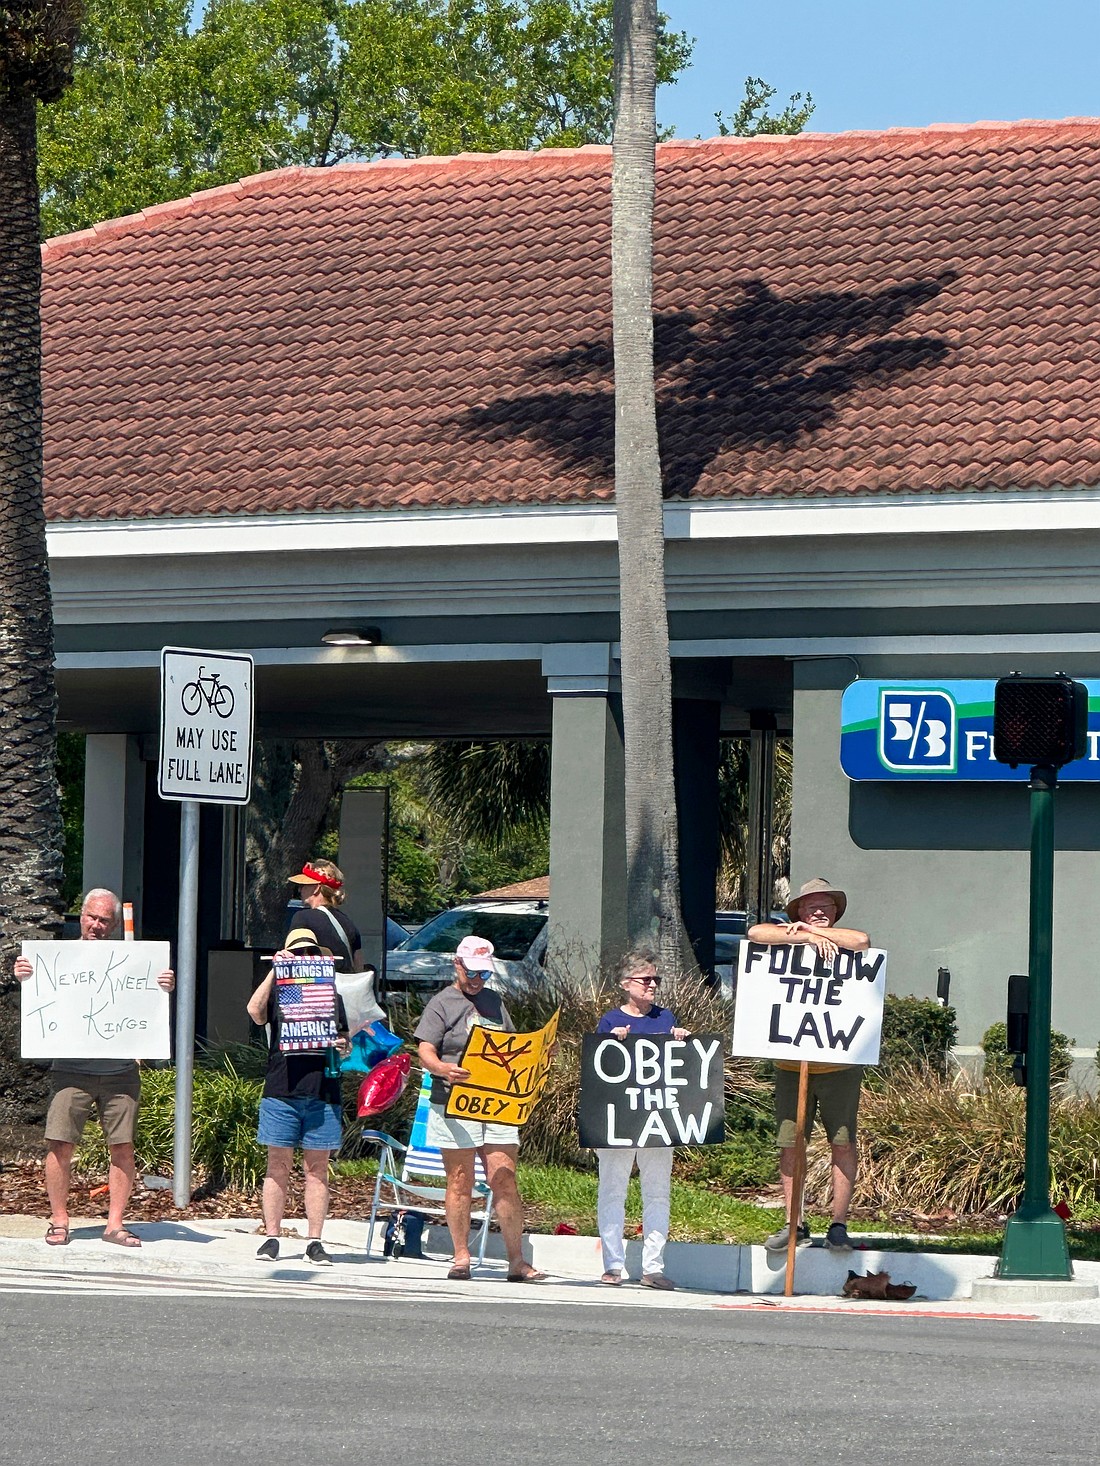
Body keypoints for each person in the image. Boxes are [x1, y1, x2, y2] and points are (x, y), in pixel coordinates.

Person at [12, 889, 175, 1248]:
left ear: (115, 925)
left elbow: (149, 1001)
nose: (97, 925)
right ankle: (59, 1220)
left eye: (104, 920)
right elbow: (38, 988)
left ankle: (115, 1224)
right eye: (91, 917)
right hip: (70, 1070)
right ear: (81, 916)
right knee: (60, 1144)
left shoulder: (135, 961)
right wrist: (24, 973)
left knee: (123, 1147)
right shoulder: (57, 959)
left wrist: (163, 985)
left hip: (121, 1073)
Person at [747, 877, 871, 1254]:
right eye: (810, 906)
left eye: (825, 906)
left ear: (835, 912)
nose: (818, 912)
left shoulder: (845, 940)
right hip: (791, 1066)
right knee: (791, 1145)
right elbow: (754, 933)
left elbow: (862, 941)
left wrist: (821, 936)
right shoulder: (787, 935)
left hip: (838, 1068)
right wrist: (803, 936)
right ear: (798, 911)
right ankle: (794, 1224)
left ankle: (838, 1225)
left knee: (842, 1143)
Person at [414, 934, 547, 1283]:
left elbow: (511, 1044)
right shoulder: (441, 1003)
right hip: (454, 1100)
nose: (477, 980)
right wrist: (442, 1068)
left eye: (484, 974)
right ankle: (461, 1256)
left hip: (496, 1102)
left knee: (503, 1176)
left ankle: (516, 1261)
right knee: (460, 1179)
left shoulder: (493, 1000)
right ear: (457, 965)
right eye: (471, 972)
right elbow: (425, 1048)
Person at [247, 927, 350, 1265]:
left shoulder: (331, 994)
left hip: (322, 1090)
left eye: (310, 952)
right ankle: (272, 1237)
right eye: (297, 952)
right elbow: (254, 1012)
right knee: (277, 1165)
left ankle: (314, 1241)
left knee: (317, 1169)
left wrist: (342, 1046)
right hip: (282, 1089)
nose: (304, 958)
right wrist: (275, 971)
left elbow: (345, 1041)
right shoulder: (280, 991)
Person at [595, 949, 689, 1291]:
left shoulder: (666, 1018)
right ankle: (613, 1265)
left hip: (657, 1118)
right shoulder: (609, 1021)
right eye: (645, 979)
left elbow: (677, 1068)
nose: (652, 985)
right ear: (625, 984)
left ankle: (653, 1267)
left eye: (655, 980)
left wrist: (681, 1041)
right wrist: (611, 1043)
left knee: (658, 1193)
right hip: (620, 1118)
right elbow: (599, 1067)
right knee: (612, 1190)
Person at [286, 860, 362, 971]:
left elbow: (292, 959)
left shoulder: (303, 918)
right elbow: (358, 965)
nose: (300, 889)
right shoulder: (348, 923)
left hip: (318, 981)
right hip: (346, 981)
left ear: (316, 888)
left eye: (303, 885)